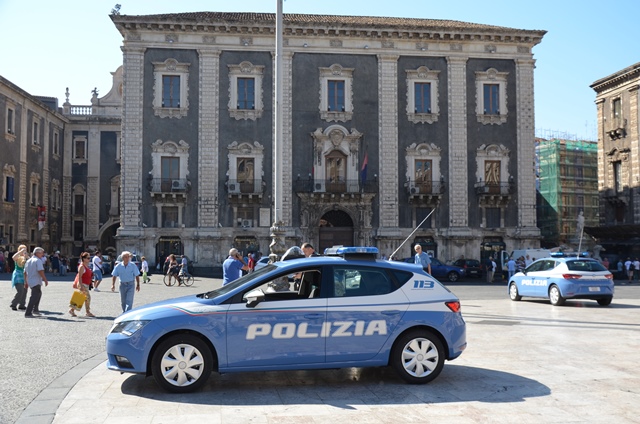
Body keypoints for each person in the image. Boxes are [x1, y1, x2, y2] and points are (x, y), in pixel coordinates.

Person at [24, 247, 49, 318]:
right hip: (36, 280)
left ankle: (35, 309)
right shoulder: (38, 260)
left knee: (38, 294)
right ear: (37, 253)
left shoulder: (28, 260)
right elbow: (40, 271)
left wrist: (25, 282)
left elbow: (25, 272)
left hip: (30, 280)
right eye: (41, 253)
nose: (43, 254)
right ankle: (28, 312)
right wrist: (45, 279)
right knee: (35, 296)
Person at [69, 252, 95, 317]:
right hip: (82, 284)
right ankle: (87, 312)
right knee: (87, 297)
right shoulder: (82, 267)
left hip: (86, 283)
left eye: (90, 258)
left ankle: (72, 310)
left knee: (81, 298)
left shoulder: (86, 266)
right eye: (88, 258)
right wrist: (80, 285)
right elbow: (79, 276)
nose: (89, 259)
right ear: (84, 259)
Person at [10, 245, 29, 311]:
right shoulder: (18, 256)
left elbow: (30, 263)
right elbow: (13, 257)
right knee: (20, 290)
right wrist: (20, 252)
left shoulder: (26, 257)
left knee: (25, 290)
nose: (24, 251)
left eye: (25, 249)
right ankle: (14, 304)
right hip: (18, 275)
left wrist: (27, 257)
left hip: (24, 275)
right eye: (23, 249)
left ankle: (22, 304)